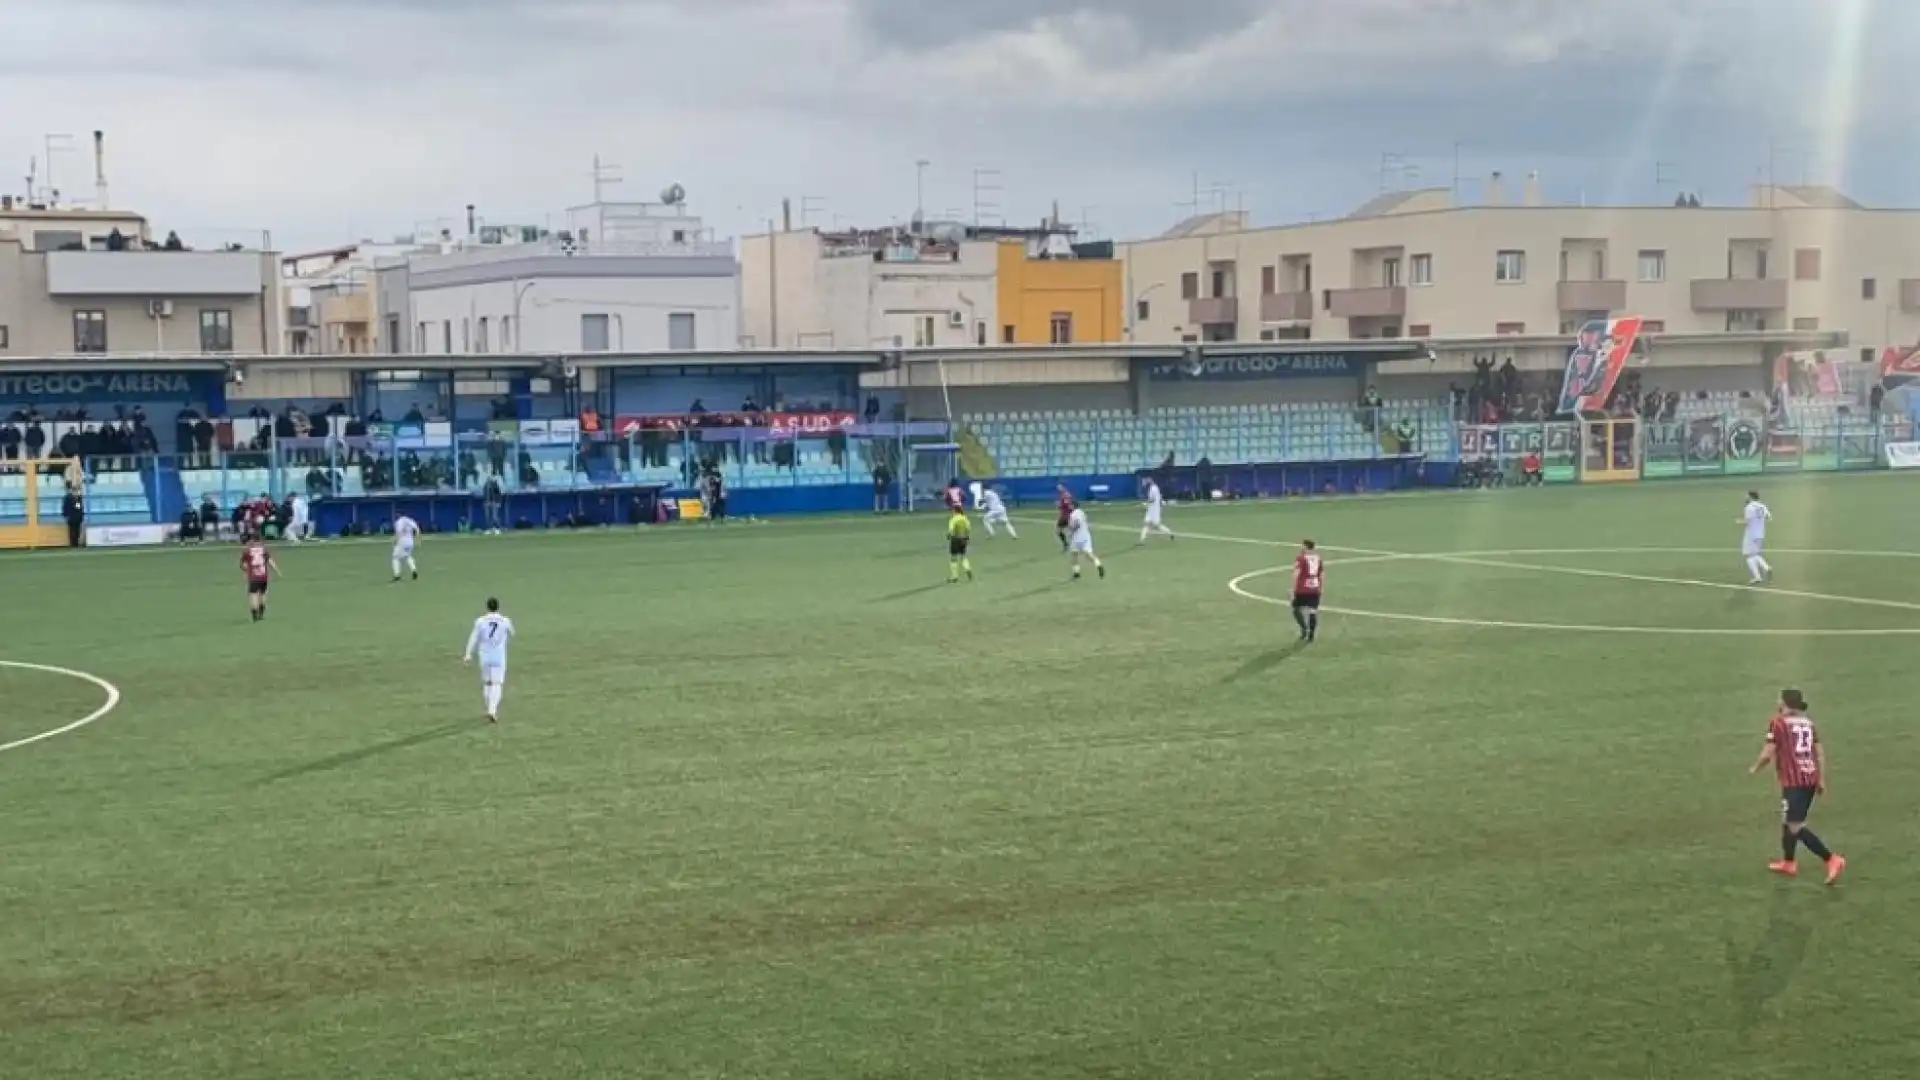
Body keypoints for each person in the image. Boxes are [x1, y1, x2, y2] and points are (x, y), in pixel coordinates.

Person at [1749, 687, 1844, 884]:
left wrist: (1755, 768)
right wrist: (1821, 778)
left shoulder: (1778, 723)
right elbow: (1819, 752)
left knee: (1795, 826)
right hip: (1809, 778)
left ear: (1783, 703)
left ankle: (1831, 859)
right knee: (1789, 820)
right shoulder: (1808, 724)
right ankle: (1789, 862)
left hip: (1794, 781)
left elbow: (1768, 752)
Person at [462, 597, 516, 723]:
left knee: (487, 683)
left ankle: (488, 707)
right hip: (499, 656)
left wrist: (468, 654)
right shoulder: (505, 620)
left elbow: (473, 638)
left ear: (487, 607)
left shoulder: (480, 621)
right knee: (497, 684)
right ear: (498, 607)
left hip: (485, 656)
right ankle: (492, 710)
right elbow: (512, 632)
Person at [240, 537, 280, 622]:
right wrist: (277, 571)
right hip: (263, 577)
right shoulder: (263, 550)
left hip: (253, 577)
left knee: (253, 595)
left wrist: (245, 572)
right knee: (263, 594)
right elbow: (270, 561)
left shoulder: (247, 551)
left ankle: (255, 616)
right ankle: (261, 615)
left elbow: (244, 565)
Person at [1292, 539, 1324, 642]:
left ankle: (1304, 628)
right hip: (1314, 588)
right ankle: (1311, 635)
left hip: (1302, 589)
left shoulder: (1301, 558)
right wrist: (1320, 587)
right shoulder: (1318, 559)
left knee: (1296, 609)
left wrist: (1293, 588)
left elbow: (1296, 573)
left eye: (1302, 546)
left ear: (1306, 547)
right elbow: (1322, 574)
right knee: (1312, 612)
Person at [1739, 490, 1772, 584]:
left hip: (1751, 534)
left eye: (1747, 496)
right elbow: (1769, 517)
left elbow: (1747, 521)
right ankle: (1766, 568)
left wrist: (1739, 521)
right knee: (1755, 554)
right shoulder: (1762, 506)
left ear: (1751, 497)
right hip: (1760, 533)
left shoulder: (1749, 507)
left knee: (1748, 555)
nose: (1745, 498)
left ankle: (1758, 576)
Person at [1065, 506, 1104, 580]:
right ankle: (1098, 564)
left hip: (1077, 538)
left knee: (1074, 555)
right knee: (1089, 554)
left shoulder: (1073, 515)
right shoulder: (1082, 512)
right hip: (1086, 536)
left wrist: (1069, 532)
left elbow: (1074, 526)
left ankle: (1076, 573)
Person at [1138, 478, 1174, 543]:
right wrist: (1161, 501)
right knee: (1148, 525)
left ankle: (1170, 533)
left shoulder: (1152, 489)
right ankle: (1141, 540)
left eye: (1145, 483)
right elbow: (1159, 497)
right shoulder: (1155, 487)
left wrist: (1146, 503)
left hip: (1153, 511)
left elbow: (1153, 499)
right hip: (1154, 510)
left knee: (1156, 525)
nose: (1144, 484)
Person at [946, 507, 974, 583]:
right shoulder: (965, 518)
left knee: (953, 558)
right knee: (963, 557)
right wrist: (967, 538)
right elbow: (968, 529)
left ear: (955, 511)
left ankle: (954, 577)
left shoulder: (953, 519)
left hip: (955, 539)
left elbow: (951, 530)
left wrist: (948, 536)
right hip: (963, 539)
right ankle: (967, 569)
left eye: (952, 510)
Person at [391, 513, 420, 581]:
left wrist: (395, 540)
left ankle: (397, 575)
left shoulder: (399, 522)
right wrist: (418, 539)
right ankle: (414, 570)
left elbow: (399, 532)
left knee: (395, 557)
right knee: (408, 556)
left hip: (402, 542)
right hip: (410, 542)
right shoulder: (410, 520)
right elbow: (417, 529)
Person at [1054, 484, 1077, 552]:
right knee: (1063, 531)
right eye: (1058, 488)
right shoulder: (1065, 495)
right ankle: (1068, 544)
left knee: (1059, 530)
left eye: (1059, 487)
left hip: (1066, 516)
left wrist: (1059, 505)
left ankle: (1067, 545)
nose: (1058, 489)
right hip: (1066, 515)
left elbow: (1068, 505)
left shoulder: (1065, 495)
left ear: (1062, 487)